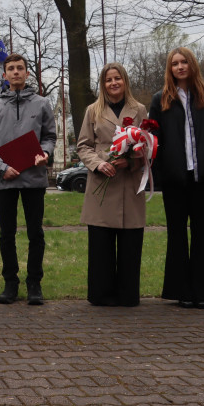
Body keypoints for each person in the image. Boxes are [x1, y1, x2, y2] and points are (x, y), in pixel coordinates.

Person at [148, 47, 204, 309]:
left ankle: (202, 290)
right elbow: (154, 141)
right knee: (177, 234)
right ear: (169, 69)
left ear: (192, 65)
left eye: (184, 62)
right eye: (175, 63)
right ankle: (180, 290)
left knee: (203, 234)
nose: (180, 67)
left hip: (203, 177)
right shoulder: (161, 100)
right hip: (174, 179)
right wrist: (158, 176)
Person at [0, 53, 57, 305]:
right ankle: (10, 283)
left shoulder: (42, 104)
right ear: (4, 75)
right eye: (11, 69)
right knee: (7, 234)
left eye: (20, 68)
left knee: (35, 233)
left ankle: (34, 283)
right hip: (5, 180)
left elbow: (50, 136)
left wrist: (46, 153)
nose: (15, 72)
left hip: (34, 179)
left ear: (27, 73)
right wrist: (0, 167)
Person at [76, 63, 147, 307]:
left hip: (129, 184)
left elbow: (147, 145)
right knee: (101, 245)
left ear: (125, 81)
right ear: (103, 85)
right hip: (101, 184)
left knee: (130, 244)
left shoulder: (139, 110)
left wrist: (133, 161)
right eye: (108, 80)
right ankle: (101, 293)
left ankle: (127, 294)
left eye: (118, 78)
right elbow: (83, 146)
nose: (113, 83)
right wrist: (98, 164)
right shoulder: (92, 111)